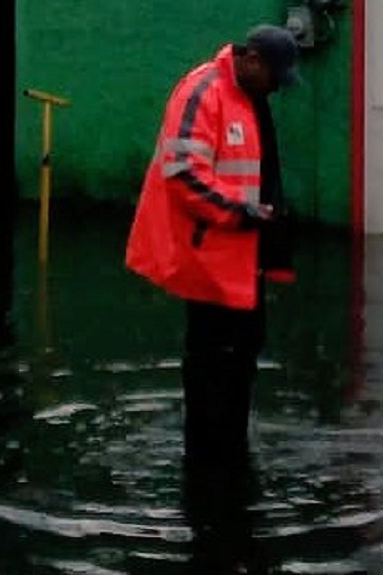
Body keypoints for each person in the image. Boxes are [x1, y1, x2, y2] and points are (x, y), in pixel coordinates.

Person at [125, 25, 299, 485]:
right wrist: (241, 213)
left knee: (239, 358)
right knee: (212, 365)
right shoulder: (204, 91)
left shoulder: (246, 97)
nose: (278, 90)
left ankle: (226, 456)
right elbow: (182, 171)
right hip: (213, 262)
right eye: (275, 78)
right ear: (253, 60)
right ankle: (207, 465)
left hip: (242, 261)